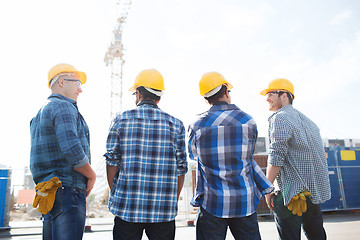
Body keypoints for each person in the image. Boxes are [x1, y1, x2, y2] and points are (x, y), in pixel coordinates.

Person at [188, 72, 274, 240]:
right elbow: (249, 154)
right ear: (226, 91)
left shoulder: (197, 124)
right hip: (244, 201)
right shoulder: (248, 121)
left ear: (206, 98)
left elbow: (193, 155)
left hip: (212, 202)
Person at [104, 69, 188, 240]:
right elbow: (181, 169)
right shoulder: (176, 125)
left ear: (139, 93)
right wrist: (172, 198)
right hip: (163, 211)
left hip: (127, 207)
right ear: (159, 97)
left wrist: (116, 192)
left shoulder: (121, 120)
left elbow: (111, 162)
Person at [30, 63, 96, 240]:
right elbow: (72, 149)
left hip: (49, 192)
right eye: (77, 83)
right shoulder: (64, 107)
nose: (80, 90)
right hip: (68, 191)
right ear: (61, 82)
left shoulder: (38, 114)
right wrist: (91, 175)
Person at [261, 78, 331, 240]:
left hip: (289, 195)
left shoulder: (280, 118)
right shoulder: (311, 123)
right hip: (313, 195)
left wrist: (267, 188)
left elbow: (276, 155)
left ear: (284, 95)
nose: (267, 98)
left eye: (270, 93)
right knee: (317, 235)